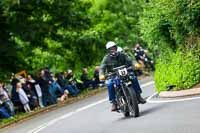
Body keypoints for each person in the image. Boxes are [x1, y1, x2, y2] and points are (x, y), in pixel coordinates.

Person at [99, 41, 146, 111]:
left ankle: (138, 96)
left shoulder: (122, 54)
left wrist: (135, 64)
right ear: (108, 50)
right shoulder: (106, 58)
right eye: (110, 49)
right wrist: (101, 74)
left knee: (133, 78)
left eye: (114, 48)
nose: (112, 50)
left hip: (125, 72)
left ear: (116, 47)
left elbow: (131, 60)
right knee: (110, 84)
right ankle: (114, 103)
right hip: (113, 75)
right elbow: (102, 67)